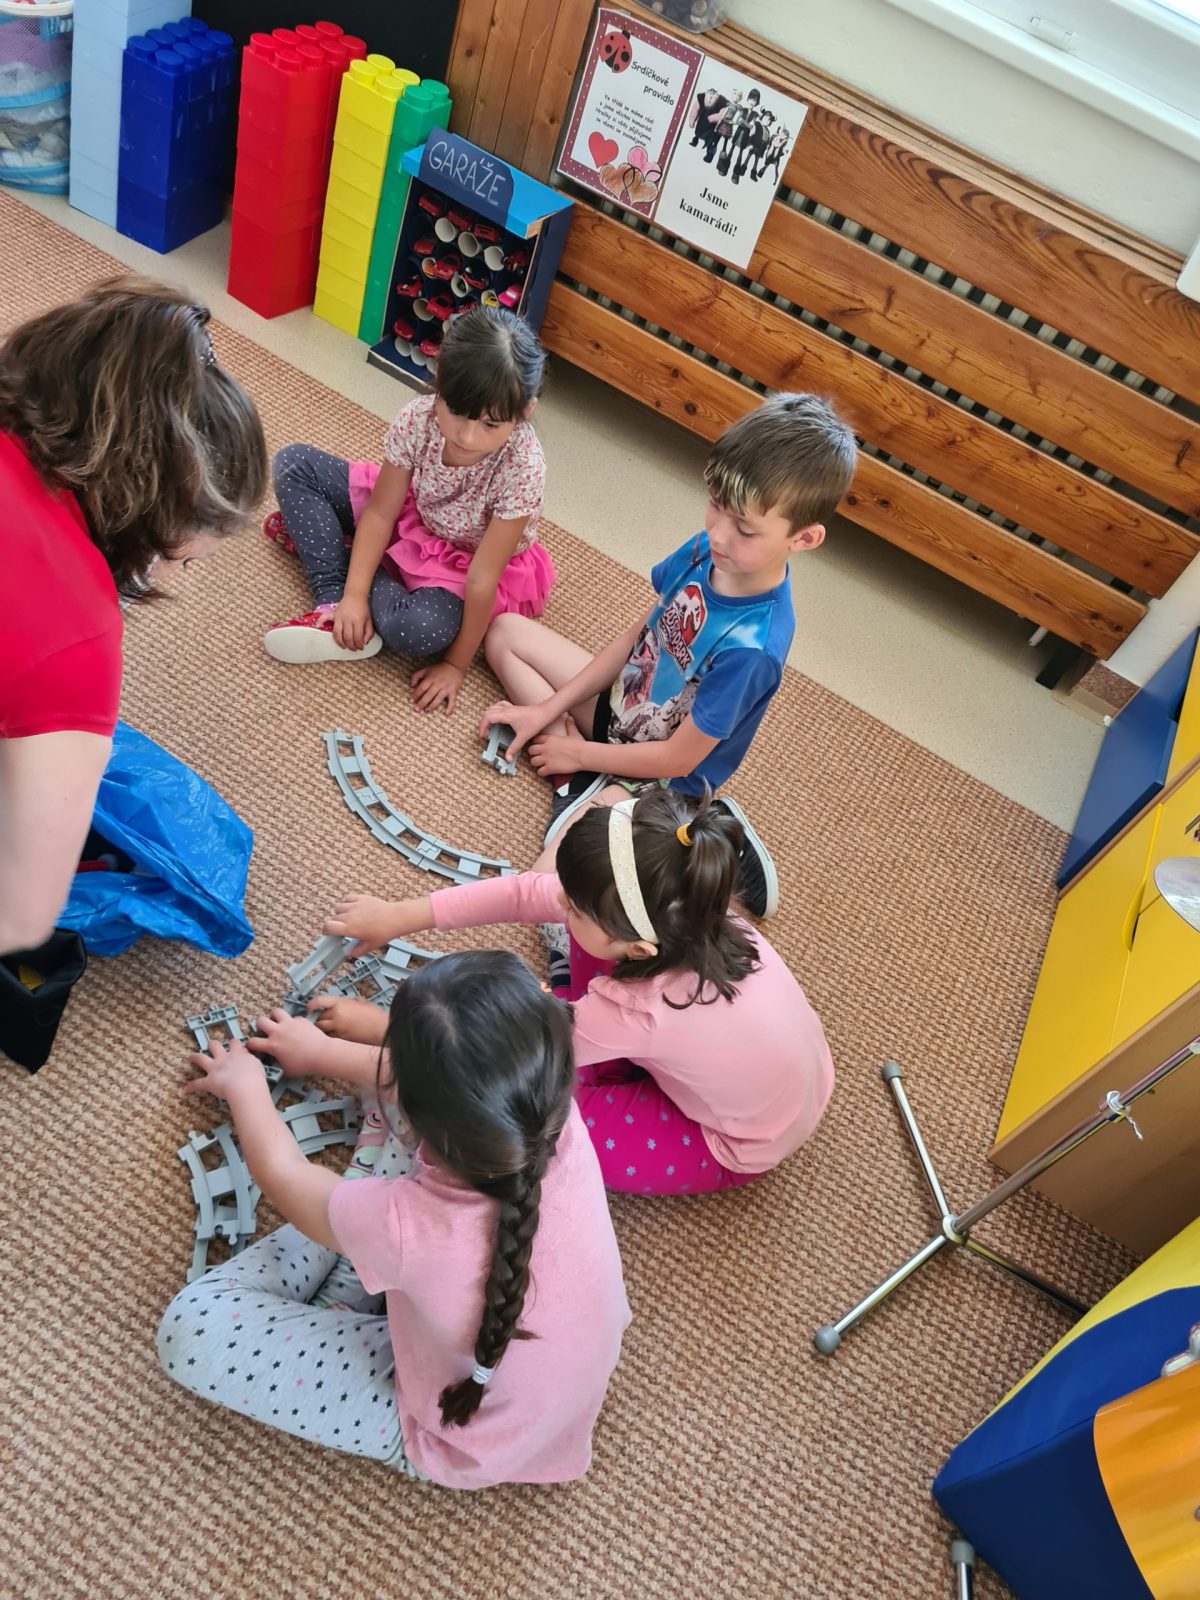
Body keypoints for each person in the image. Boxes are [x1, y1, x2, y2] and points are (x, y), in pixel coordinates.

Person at [157, 950, 631, 1487]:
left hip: (460, 1439)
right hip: (544, 1386)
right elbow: (463, 1085)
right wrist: (324, 1053)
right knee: (393, 1188)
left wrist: (244, 1085)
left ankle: (352, 1251)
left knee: (192, 1328)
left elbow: (282, 1174)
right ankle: (359, 1249)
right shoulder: (552, 1110)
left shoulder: (410, 1225)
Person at [316, 790, 835, 1197]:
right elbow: (527, 891)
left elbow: (499, 1062)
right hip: (769, 1081)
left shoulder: (638, 1008)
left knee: (531, 1117)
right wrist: (397, 916)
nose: (559, 904)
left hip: (732, 1142)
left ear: (638, 948)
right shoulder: (692, 913)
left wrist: (380, 1029)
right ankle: (577, 1016)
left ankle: (573, 1020)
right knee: (578, 960)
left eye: (574, 907)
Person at [479, 392, 858, 917]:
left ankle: (697, 829)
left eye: (745, 528)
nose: (718, 532)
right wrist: (547, 710)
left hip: (663, 781)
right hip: (620, 714)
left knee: (551, 886)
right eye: (716, 504)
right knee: (503, 634)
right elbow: (636, 638)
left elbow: (677, 759)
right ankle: (582, 777)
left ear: (805, 538)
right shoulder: (707, 548)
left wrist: (578, 755)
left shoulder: (754, 646)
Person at [0, 276, 267, 957]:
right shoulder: (79, 637)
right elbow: (19, 917)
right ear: (154, 514)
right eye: (186, 560)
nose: (176, 576)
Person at [263, 305, 552, 716]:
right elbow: (382, 512)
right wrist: (352, 597)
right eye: (456, 412)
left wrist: (455, 666)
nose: (468, 437)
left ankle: (339, 550)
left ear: (525, 412)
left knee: (417, 630)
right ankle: (332, 598)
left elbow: (482, 579)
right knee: (294, 465)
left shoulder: (524, 466)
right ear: (439, 383)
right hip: (410, 514)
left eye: (490, 425)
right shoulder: (418, 418)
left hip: (466, 564)